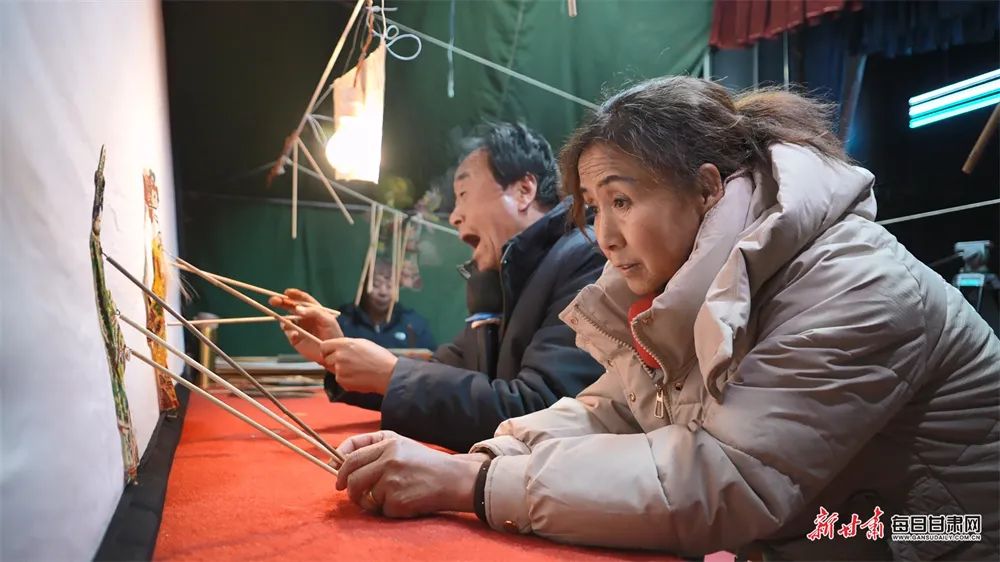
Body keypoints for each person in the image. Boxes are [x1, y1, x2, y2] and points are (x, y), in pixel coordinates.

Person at [331, 77, 1000, 561]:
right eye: (594, 207)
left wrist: (473, 484)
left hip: (942, 536)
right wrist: (490, 455)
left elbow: (725, 479)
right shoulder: (686, 283)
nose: (603, 235)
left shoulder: (853, 281)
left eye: (621, 200)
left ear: (707, 188)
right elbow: (613, 408)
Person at [271, 122, 606, 452]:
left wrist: (391, 374)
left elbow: (541, 411)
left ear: (523, 190)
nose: (454, 216)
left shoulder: (584, 259)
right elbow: (444, 373)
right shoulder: (503, 279)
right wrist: (335, 351)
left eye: (463, 195)